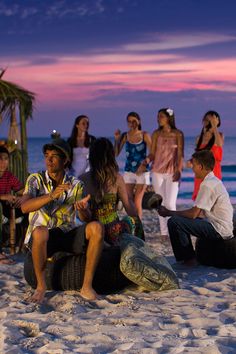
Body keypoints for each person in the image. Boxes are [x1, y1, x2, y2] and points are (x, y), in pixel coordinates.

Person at [21, 138, 104, 303]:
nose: (49, 160)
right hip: (41, 237)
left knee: (97, 227)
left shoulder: (76, 184)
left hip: (66, 233)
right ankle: (41, 287)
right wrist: (51, 195)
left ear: (65, 160)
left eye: (54, 156)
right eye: (46, 155)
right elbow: (25, 207)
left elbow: (84, 218)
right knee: (40, 231)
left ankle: (86, 286)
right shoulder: (35, 179)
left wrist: (83, 210)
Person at [158, 150, 234, 266]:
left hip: (219, 230)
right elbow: (200, 213)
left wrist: (169, 212)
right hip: (220, 226)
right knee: (180, 220)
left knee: (174, 222)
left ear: (201, 166)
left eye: (193, 165)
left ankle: (188, 259)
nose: (192, 168)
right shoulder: (213, 181)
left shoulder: (208, 184)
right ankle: (188, 257)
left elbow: (193, 214)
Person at [80, 137, 144, 246]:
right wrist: (137, 223)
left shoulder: (82, 179)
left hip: (93, 231)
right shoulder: (116, 178)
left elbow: (84, 217)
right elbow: (128, 206)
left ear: (92, 157)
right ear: (110, 157)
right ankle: (141, 249)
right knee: (133, 221)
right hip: (113, 232)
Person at [145, 108, 184, 236]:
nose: (158, 119)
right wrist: (146, 161)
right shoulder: (156, 134)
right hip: (157, 172)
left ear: (169, 118)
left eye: (161, 116)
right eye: (158, 116)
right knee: (160, 203)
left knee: (171, 203)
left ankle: (174, 231)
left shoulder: (178, 134)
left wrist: (179, 170)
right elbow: (152, 153)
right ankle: (164, 233)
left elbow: (180, 155)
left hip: (172, 171)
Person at [114, 112, 152, 219]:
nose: (132, 123)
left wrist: (145, 163)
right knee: (128, 201)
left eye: (134, 121)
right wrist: (117, 140)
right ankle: (131, 225)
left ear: (139, 121)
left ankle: (138, 229)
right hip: (129, 170)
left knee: (137, 201)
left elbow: (153, 152)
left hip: (142, 171)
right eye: (129, 121)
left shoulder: (144, 135)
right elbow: (116, 153)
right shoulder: (125, 136)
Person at [0, 146, 26, 264]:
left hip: (7, 207)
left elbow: (22, 190)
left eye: (6, 159)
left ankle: (25, 245)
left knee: (29, 207)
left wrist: (23, 196)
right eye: (0, 159)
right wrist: (4, 196)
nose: (3, 162)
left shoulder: (8, 176)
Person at [191, 110, 224, 200]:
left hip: (214, 172)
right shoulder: (199, 138)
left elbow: (219, 145)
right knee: (200, 199)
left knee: (212, 199)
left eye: (210, 120)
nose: (207, 121)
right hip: (200, 171)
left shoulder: (219, 136)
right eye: (205, 119)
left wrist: (214, 126)